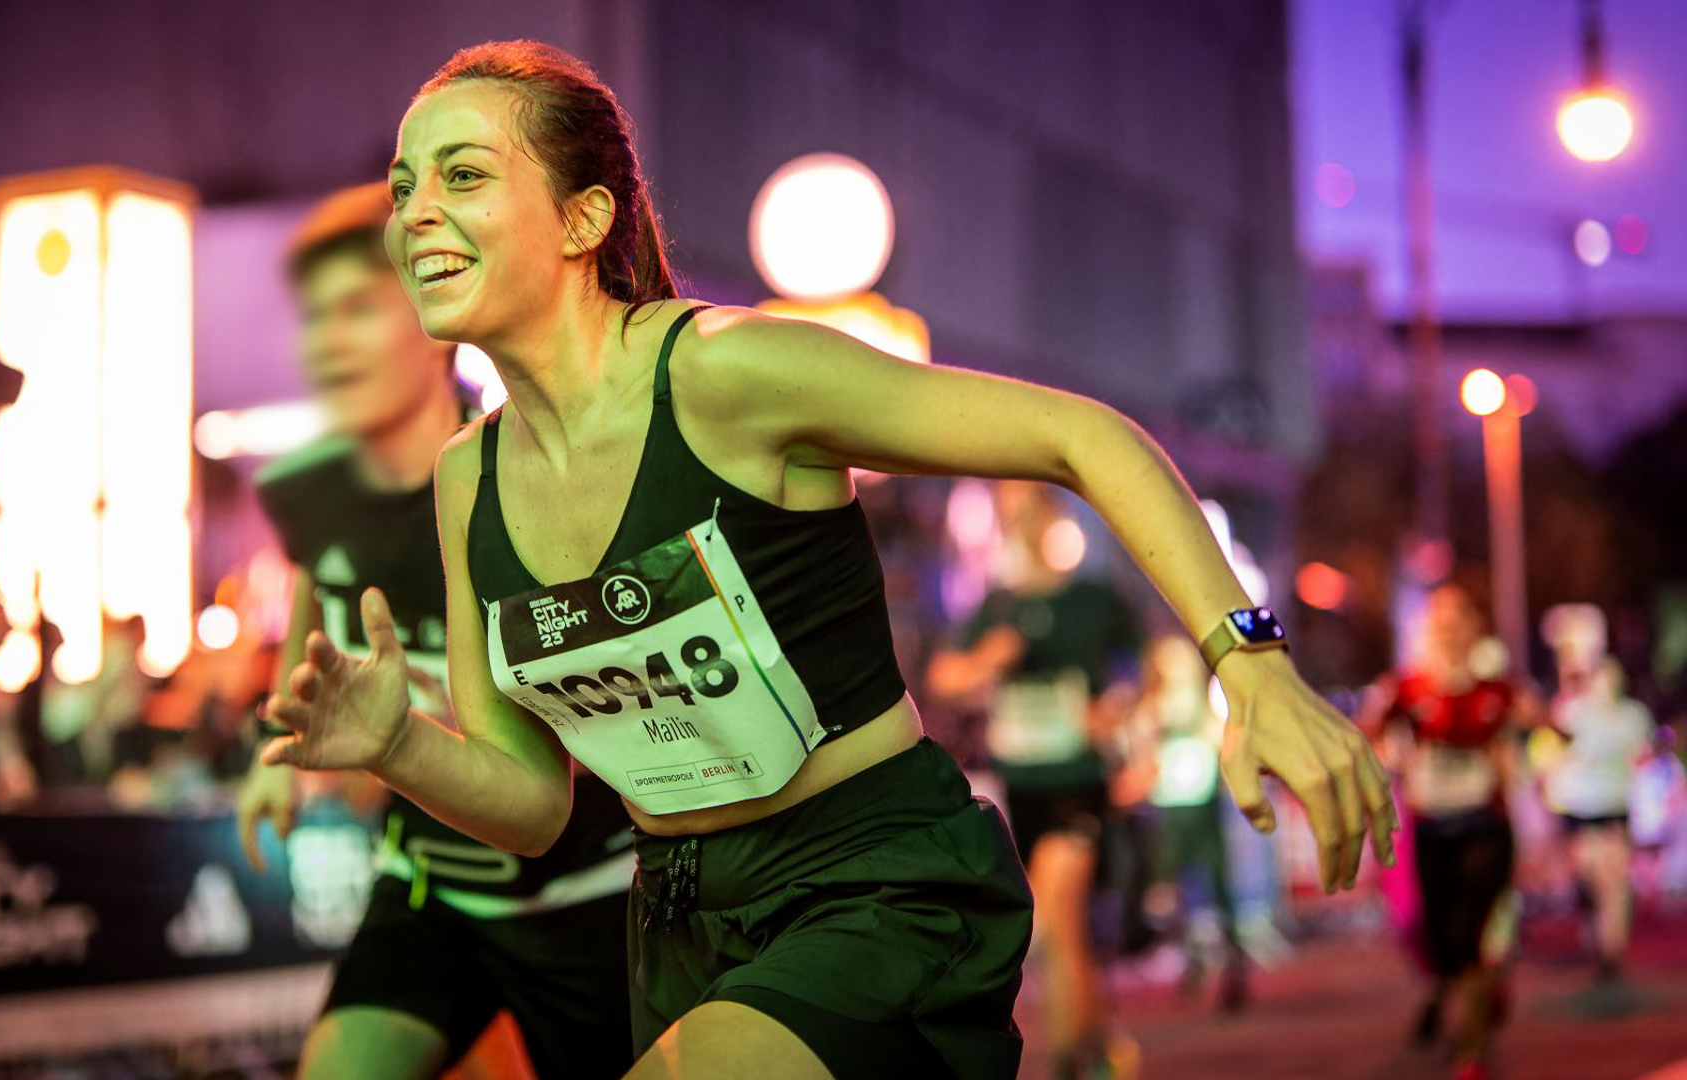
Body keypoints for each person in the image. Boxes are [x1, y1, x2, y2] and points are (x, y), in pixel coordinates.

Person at [264, 40, 1396, 1080]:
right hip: (677, 922)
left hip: (871, 883)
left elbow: (1078, 435)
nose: (414, 213)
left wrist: (1250, 663)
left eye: (461, 175)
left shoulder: (726, 374)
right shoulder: (469, 477)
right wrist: (403, 743)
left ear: (583, 219)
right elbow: (531, 805)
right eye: (405, 186)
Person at [236, 183, 637, 1080]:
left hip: (589, 902)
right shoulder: (311, 487)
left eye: (359, 311)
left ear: (433, 309)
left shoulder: (526, 474)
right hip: (429, 892)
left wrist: (407, 745)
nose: (330, 342)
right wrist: (275, 742)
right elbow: (314, 595)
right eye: (316, 317)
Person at [926, 482, 1143, 1079]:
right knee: (1059, 926)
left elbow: (1149, 670)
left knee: (1059, 916)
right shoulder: (997, 605)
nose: (1016, 525)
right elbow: (942, 677)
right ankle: (1101, 1047)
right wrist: (983, 665)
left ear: (1056, 518)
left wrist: (1119, 709)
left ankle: (1067, 1061)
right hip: (1020, 786)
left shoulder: (1097, 600)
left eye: (1026, 512)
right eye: (1006, 514)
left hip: (1078, 779)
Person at [1361, 586, 1526, 1080]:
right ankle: (1459, 989)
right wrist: (1389, 756)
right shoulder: (1407, 688)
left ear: (1477, 628)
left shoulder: (1498, 690)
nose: (1450, 629)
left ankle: (1471, 1051)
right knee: (1434, 936)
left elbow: (1542, 726)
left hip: (1484, 826)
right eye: (1441, 620)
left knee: (1468, 933)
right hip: (1432, 827)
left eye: (1461, 618)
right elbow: (1366, 731)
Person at [1540, 604, 1654, 988]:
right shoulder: (1602, 714)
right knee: (1602, 885)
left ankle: (1607, 948)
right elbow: (1643, 758)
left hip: (1596, 813)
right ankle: (1605, 942)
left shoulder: (1582, 713)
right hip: (1596, 812)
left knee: (1605, 886)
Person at [1132, 635, 1246, 1012]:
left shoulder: (1206, 705)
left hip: (1203, 805)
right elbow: (1139, 750)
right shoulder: (1152, 707)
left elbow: (1223, 740)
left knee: (1216, 885)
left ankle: (1231, 967)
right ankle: (1190, 962)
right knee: (1173, 890)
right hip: (1169, 808)